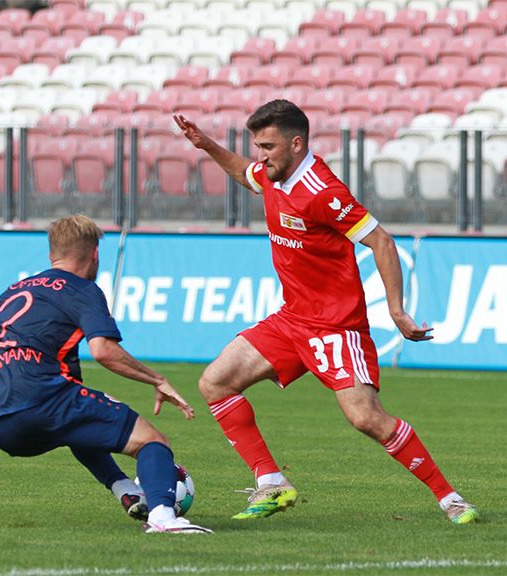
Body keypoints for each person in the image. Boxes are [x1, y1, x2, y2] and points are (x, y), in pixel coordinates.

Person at [174, 100, 478, 525]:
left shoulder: (323, 192)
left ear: (296, 144)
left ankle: (451, 499)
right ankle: (271, 481)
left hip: (335, 326)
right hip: (291, 319)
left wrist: (397, 311)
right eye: (258, 145)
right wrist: (206, 145)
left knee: (366, 418)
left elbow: (382, 242)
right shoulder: (273, 174)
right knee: (215, 382)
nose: (261, 155)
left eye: (268, 146)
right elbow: (246, 175)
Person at [0, 215, 212, 534]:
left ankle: (124, 488)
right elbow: (103, 351)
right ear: (95, 254)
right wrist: (157, 379)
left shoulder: (12, 292)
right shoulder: (83, 289)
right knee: (152, 440)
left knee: (79, 425)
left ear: (51, 256)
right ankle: (163, 518)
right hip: (42, 399)